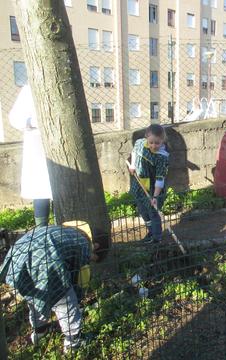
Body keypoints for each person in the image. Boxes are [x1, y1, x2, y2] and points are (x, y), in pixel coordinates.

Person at [0, 221, 98, 352]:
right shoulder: (83, 245)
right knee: (66, 301)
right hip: (45, 264)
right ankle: (74, 342)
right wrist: (78, 298)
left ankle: (39, 332)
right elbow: (77, 277)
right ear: (95, 245)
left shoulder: (61, 230)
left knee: (34, 298)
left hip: (17, 259)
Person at [9, 84, 52, 226]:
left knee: (60, 191)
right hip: (36, 146)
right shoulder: (29, 89)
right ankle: (41, 231)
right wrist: (32, 122)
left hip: (58, 143)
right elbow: (14, 118)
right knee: (41, 191)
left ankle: (61, 231)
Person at [128, 124, 169, 244]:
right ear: (146, 137)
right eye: (151, 142)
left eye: (157, 143)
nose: (154, 146)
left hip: (153, 188)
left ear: (162, 141)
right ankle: (150, 231)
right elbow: (134, 152)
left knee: (153, 212)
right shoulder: (140, 143)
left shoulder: (162, 157)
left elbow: (160, 179)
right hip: (139, 184)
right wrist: (133, 165)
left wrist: (155, 196)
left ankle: (157, 238)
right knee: (143, 210)